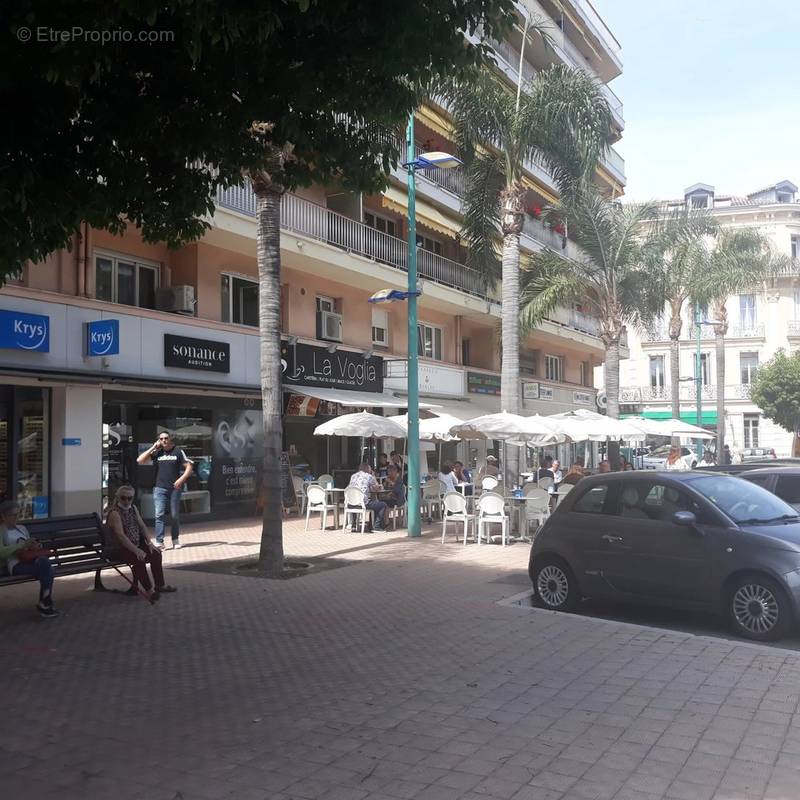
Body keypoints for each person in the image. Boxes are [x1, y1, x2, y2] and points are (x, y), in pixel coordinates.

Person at [104, 485, 176, 601]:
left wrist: (150, 543)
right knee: (139, 559)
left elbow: (142, 526)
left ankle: (160, 585)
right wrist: (136, 550)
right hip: (119, 549)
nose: (126, 501)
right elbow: (121, 536)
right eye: (123, 498)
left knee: (156, 554)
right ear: (118, 498)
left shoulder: (133, 508)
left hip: (135, 544)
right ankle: (149, 590)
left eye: (129, 498)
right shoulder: (114, 513)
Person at [0, 499, 58, 618]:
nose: (16, 518)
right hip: (15, 564)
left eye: (18, 514)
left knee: (44, 562)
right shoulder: (1, 531)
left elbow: (30, 548)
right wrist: (21, 545)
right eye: (13, 515)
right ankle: (45, 603)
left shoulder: (22, 528)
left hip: (31, 560)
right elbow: (2, 552)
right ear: (4, 516)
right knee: (49, 571)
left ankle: (45, 603)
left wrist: (35, 545)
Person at [137, 431, 193, 549]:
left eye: (166, 438)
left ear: (170, 439)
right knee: (159, 515)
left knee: (174, 515)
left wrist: (181, 479)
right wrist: (153, 447)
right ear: (159, 440)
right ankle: (159, 541)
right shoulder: (157, 452)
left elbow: (189, 466)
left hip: (175, 488)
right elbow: (140, 460)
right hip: (159, 488)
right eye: (161, 439)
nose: (164, 441)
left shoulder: (178, 451)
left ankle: (175, 539)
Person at [347, 463, 388, 531]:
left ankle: (354, 525)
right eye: (370, 469)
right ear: (367, 469)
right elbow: (378, 488)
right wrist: (373, 476)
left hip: (351, 504)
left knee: (357, 500)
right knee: (382, 505)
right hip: (363, 504)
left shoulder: (353, 476)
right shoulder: (369, 476)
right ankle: (376, 526)